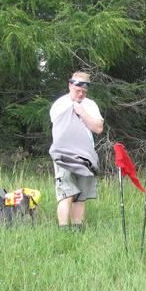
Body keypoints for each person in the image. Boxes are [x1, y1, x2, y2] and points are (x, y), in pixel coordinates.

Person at [49, 71, 104, 229]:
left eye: (84, 91)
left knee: (80, 196)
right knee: (66, 193)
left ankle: (77, 230)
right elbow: (61, 131)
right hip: (64, 155)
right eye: (78, 90)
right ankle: (63, 230)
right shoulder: (60, 104)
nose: (81, 94)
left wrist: (82, 113)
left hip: (86, 156)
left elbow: (98, 128)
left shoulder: (90, 105)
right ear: (70, 86)